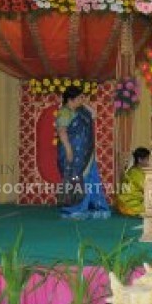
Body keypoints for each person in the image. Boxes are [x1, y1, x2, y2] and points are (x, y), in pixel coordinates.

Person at [56, 86, 111, 219]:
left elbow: (94, 114)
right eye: (80, 97)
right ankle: (75, 209)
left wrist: (85, 103)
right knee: (76, 179)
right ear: (70, 99)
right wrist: (69, 149)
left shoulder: (81, 111)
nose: (83, 99)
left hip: (86, 153)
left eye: (83, 97)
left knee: (91, 178)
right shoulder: (65, 112)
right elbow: (62, 131)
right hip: (73, 153)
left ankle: (94, 207)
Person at [116, 147, 150, 217]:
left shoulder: (136, 170)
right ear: (140, 160)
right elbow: (147, 188)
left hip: (131, 202)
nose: (149, 161)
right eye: (147, 159)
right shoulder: (135, 173)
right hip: (129, 204)